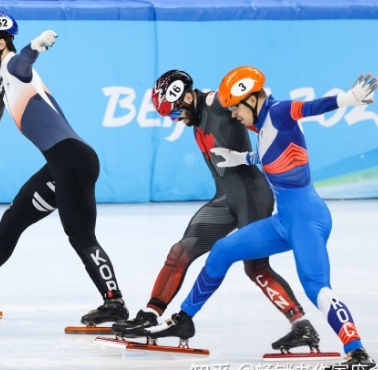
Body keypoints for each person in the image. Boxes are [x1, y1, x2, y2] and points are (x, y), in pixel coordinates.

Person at [146, 66, 378, 370]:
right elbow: (270, 153)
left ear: (252, 100)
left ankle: (357, 352)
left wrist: (347, 99)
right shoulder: (264, 125)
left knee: (317, 287)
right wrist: (241, 159)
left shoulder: (280, 112)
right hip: (284, 221)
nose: (232, 114)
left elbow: (308, 108)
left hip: (307, 220)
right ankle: (184, 319)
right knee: (223, 250)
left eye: (234, 108)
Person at [0, 10, 128, 326]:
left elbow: (22, 62)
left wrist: (36, 46)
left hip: (73, 161)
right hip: (60, 164)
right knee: (13, 219)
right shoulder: (1, 79)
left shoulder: (13, 65)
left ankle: (115, 302)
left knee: (80, 235)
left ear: (0, 43)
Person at [112, 70, 321, 354]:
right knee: (180, 251)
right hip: (225, 199)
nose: (177, 121)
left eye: (176, 114)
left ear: (187, 96)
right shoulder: (197, 115)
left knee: (256, 267)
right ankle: (151, 315)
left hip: (252, 196)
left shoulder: (218, 102)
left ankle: (302, 325)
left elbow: (259, 106)